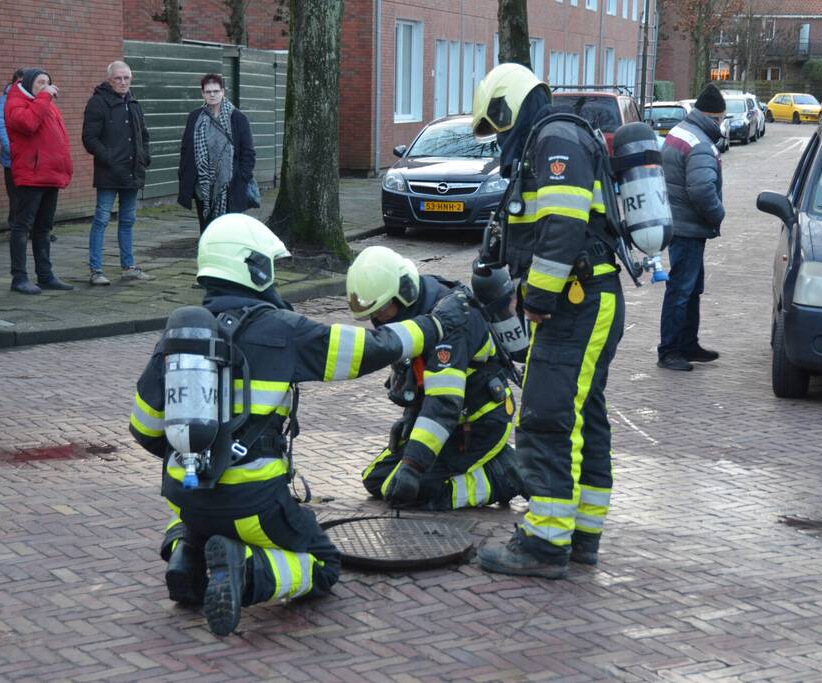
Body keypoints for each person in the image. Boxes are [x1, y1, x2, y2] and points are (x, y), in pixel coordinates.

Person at [128, 215, 468, 636]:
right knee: (323, 564)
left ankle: (186, 554)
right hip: (253, 502)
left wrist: (198, 456)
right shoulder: (283, 329)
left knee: (203, 517)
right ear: (253, 267)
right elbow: (373, 347)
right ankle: (247, 572)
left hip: (186, 495)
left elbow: (143, 429)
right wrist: (435, 325)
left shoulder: (178, 335)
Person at [470, 63, 625, 579]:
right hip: (584, 299)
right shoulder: (555, 136)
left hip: (574, 302)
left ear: (507, 105)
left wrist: (535, 297)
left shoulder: (554, 139)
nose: (498, 140)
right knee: (583, 418)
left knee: (545, 416)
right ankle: (581, 534)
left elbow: (562, 224)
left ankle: (544, 542)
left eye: (496, 126)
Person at [345, 246, 524, 511]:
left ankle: (505, 475)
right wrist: (409, 423)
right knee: (378, 480)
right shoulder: (413, 311)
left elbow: (443, 404)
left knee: (423, 492)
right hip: (450, 425)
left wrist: (413, 465)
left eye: (381, 311)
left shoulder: (451, 322)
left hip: (478, 425)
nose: (377, 321)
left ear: (403, 294)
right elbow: (417, 381)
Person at [656, 83, 726, 372]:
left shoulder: (680, 132)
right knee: (682, 289)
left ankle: (687, 343)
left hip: (679, 223)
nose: (722, 125)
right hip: (688, 228)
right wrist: (718, 214)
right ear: (713, 117)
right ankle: (670, 349)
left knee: (690, 288)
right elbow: (701, 190)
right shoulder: (700, 144)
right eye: (721, 119)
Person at [82, 61, 153, 286]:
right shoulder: (97, 103)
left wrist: (144, 157)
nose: (123, 82)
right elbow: (89, 139)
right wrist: (110, 159)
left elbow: (143, 134)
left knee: (128, 220)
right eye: (118, 78)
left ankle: (128, 266)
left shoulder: (133, 102)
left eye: (126, 78)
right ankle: (96, 270)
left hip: (132, 172)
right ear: (109, 79)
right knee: (102, 219)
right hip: (109, 172)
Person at [5, 68, 74, 295]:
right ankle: (19, 278)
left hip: (50, 175)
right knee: (22, 226)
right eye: (40, 83)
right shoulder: (16, 103)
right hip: (31, 176)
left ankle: (45, 276)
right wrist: (45, 96)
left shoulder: (45, 104)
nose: (46, 87)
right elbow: (27, 124)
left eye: (48, 83)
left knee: (44, 228)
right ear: (28, 85)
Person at [177, 74, 256, 235]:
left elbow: (248, 152)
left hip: (230, 184)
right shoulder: (195, 117)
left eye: (216, 91)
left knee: (230, 230)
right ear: (202, 94)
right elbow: (186, 148)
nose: (212, 95)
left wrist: (241, 176)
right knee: (206, 229)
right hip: (203, 184)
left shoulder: (237, 118)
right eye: (208, 92)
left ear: (223, 92)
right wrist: (184, 174)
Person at [0, 68, 25, 234]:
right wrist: (13, 149)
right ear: (14, 82)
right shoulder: (5, 100)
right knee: (15, 197)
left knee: (31, 196)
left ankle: (34, 230)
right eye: (19, 82)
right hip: (12, 158)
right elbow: (0, 126)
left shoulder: (32, 100)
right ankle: (16, 230)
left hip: (29, 159)